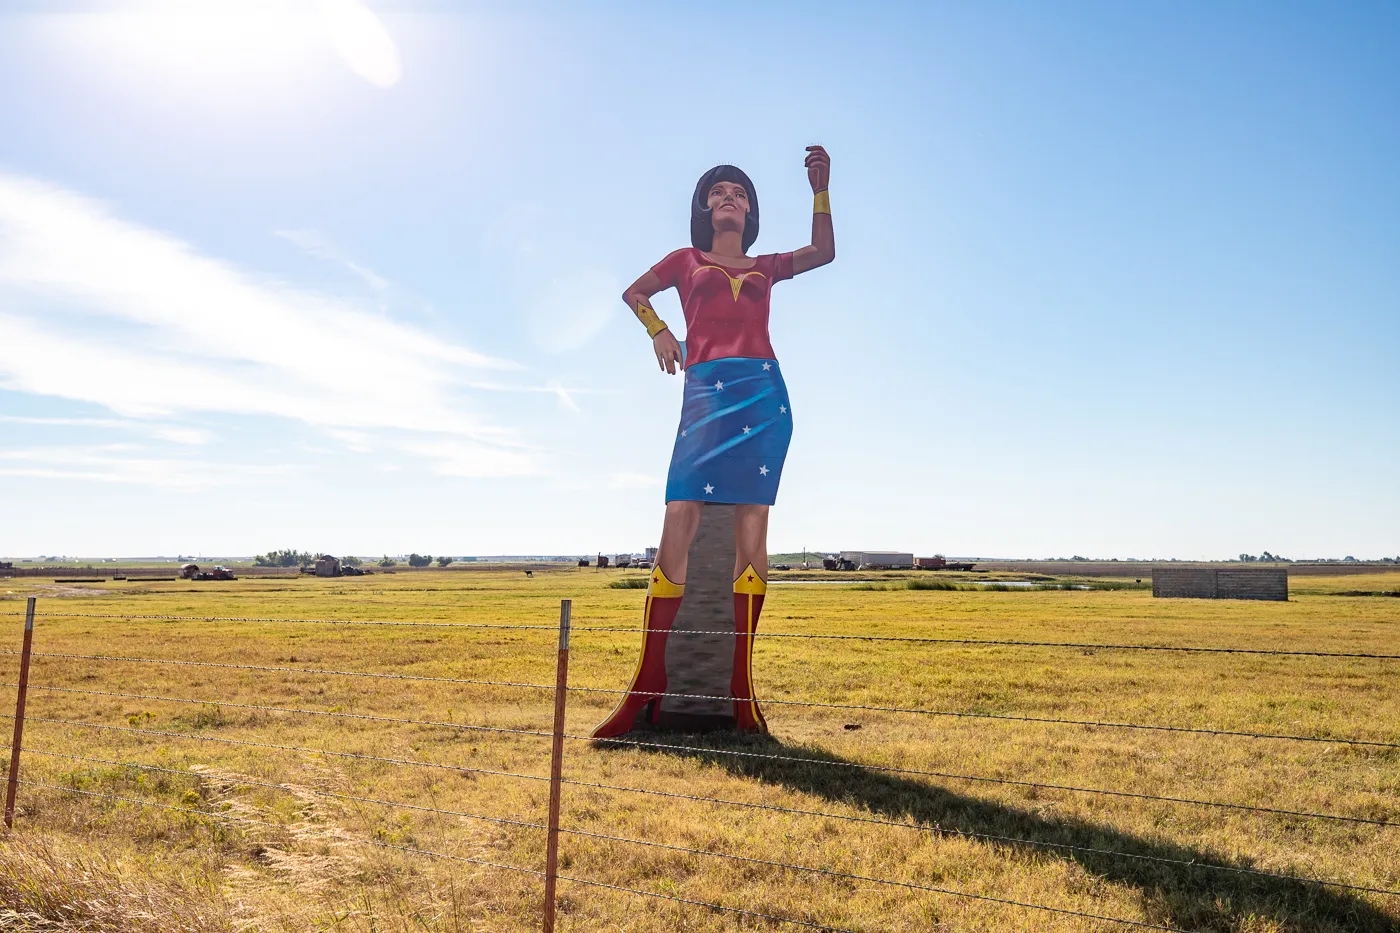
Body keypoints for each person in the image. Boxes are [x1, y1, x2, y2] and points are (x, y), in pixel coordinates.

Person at [592, 146, 834, 737]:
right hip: (705, 394)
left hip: (763, 395)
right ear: (704, 206)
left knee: (753, 526)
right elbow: (634, 293)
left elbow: (824, 253)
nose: (731, 198)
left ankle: (741, 692)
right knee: (679, 514)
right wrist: (660, 331)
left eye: (741, 193)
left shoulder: (768, 266)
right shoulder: (684, 260)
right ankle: (645, 689)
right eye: (720, 192)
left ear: (750, 213)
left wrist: (820, 189)